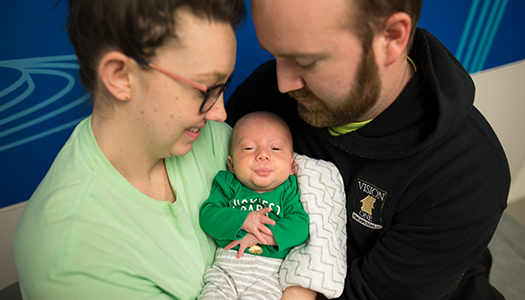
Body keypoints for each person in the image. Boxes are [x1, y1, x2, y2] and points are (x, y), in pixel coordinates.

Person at [226, 0, 511, 299]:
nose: (283, 83)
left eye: (306, 61)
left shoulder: (467, 172)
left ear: (391, 38)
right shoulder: (266, 94)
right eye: (276, 54)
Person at [14, 0, 246, 299]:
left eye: (224, 86)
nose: (221, 114)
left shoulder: (211, 137)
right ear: (121, 76)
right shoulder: (74, 261)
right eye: (205, 89)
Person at [199, 111, 310, 299]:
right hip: (226, 270)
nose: (263, 155)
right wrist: (244, 220)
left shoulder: (288, 189)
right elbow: (208, 216)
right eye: (249, 148)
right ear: (231, 164)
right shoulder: (228, 183)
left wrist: (260, 235)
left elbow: (300, 227)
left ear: (292, 166)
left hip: (267, 276)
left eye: (275, 149)